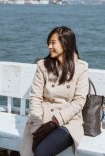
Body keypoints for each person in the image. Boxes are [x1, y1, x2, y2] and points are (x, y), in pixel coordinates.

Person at [20, 26, 89, 156]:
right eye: (49, 43)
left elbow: (79, 101)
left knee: (41, 152)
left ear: (66, 44)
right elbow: (35, 97)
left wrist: (55, 122)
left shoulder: (81, 68)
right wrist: (36, 128)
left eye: (53, 43)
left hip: (68, 121)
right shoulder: (43, 66)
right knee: (34, 150)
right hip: (42, 118)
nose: (49, 47)